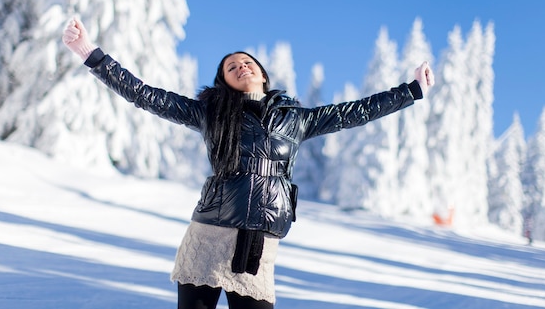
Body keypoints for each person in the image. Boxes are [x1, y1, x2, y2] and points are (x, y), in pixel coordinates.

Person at [62, 17, 435, 309]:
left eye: (246, 62)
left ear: (262, 74)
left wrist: (411, 90)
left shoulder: (297, 119)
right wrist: (91, 54)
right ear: (224, 81)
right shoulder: (210, 113)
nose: (241, 67)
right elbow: (146, 95)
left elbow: (356, 112)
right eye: (231, 67)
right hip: (210, 232)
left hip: (259, 239)